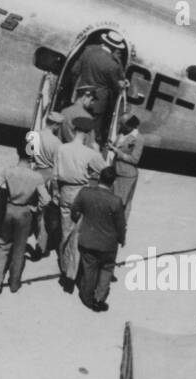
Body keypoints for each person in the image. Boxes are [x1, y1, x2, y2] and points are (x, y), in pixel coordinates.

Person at [53, 116, 107, 292]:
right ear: (88, 132)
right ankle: (70, 274)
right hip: (81, 194)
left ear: (74, 128)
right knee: (77, 236)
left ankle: (63, 265)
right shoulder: (90, 153)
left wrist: (56, 193)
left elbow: (54, 176)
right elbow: (105, 171)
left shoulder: (61, 149)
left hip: (64, 192)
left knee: (65, 231)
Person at [0, 145, 49, 294]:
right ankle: (14, 283)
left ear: (18, 153)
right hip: (25, 212)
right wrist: (36, 208)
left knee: (3, 245)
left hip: (9, 210)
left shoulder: (8, 171)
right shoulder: (36, 177)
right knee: (19, 250)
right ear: (32, 158)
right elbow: (46, 199)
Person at [74, 165, 126, 312]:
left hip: (88, 241)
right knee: (107, 269)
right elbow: (121, 225)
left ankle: (87, 297)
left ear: (99, 179)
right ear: (113, 182)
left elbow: (74, 210)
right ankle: (99, 298)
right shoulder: (116, 201)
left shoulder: (85, 193)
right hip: (108, 245)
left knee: (89, 269)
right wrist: (122, 239)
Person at [73, 33, 128, 142]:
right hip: (99, 101)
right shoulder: (113, 65)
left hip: (82, 94)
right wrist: (123, 83)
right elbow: (115, 87)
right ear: (115, 47)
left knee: (76, 123)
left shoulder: (88, 51)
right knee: (92, 130)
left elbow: (75, 70)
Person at [27, 111, 62, 258]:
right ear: (55, 125)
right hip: (47, 176)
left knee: (30, 209)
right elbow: (58, 166)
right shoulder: (57, 143)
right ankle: (41, 246)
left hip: (34, 173)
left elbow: (28, 156)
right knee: (42, 215)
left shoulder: (33, 136)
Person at [113, 115, 144, 219]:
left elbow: (135, 159)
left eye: (123, 125)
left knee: (121, 203)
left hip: (127, 175)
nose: (121, 126)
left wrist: (119, 154)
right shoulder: (121, 133)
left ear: (131, 126)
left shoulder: (138, 138)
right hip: (116, 171)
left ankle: (120, 225)